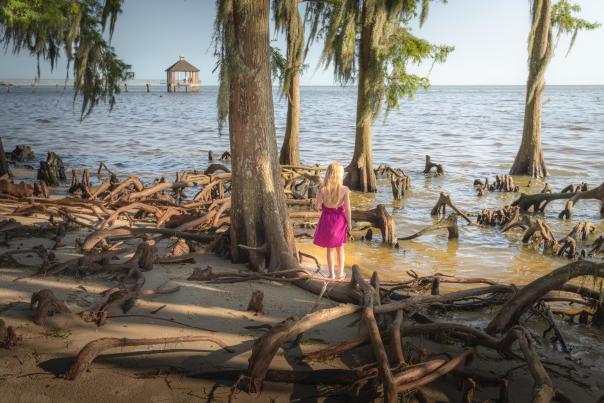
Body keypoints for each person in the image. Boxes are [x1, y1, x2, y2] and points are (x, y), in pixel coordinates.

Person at [312, 162, 352, 280]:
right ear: (340, 175)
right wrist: (349, 223)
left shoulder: (323, 190)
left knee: (330, 249)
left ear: (328, 174)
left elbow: (317, 206)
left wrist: (319, 203)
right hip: (339, 222)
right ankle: (340, 274)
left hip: (326, 221)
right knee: (340, 249)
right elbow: (348, 209)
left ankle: (331, 274)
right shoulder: (345, 190)